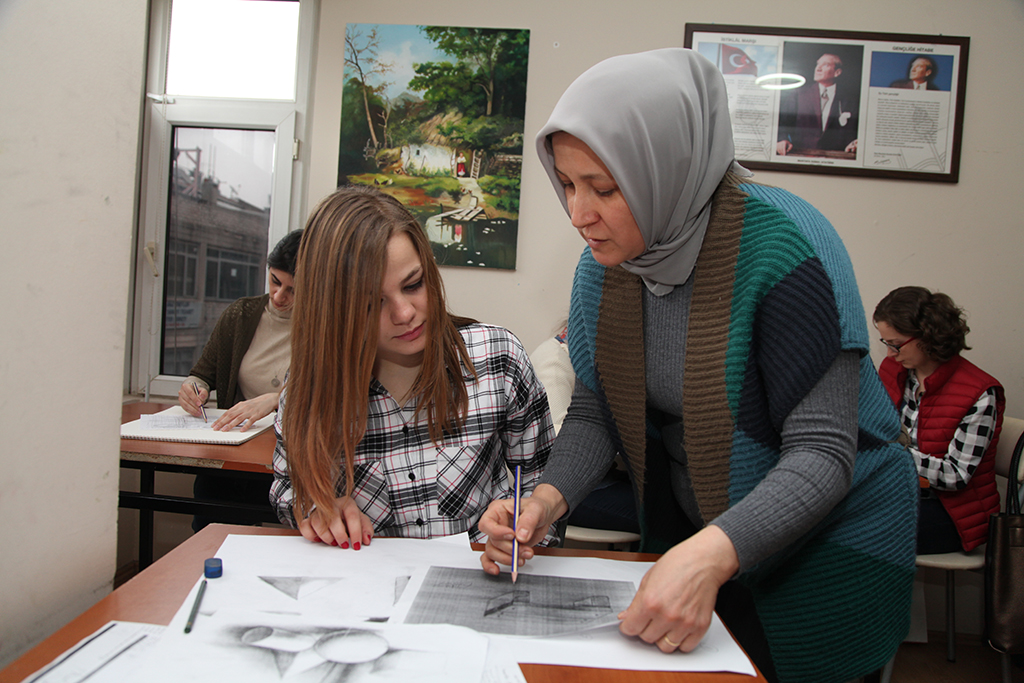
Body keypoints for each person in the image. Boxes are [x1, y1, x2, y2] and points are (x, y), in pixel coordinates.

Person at [478, 48, 917, 683]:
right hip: (708, 533)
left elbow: (823, 451)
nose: (578, 215)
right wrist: (544, 502)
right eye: (568, 185)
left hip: (830, 541)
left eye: (603, 188)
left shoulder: (789, 248)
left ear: (668, 169)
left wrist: (711, 554)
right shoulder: (604, 269)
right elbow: (600, 411)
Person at [269, 185, 556, 548]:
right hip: (366, 593)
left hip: (485, 588)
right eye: (372, 303)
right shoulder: (307, 387)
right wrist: (318, 509)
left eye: (414, 284)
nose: (405, 314)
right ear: (335, 311)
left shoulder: (499, 359)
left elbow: (540, 485)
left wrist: (523, 531)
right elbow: (286, 490)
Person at [179, 229, 302, 531]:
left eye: (293, 290)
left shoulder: (325, 328)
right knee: (210, 534)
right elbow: (202, 373)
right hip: (232, 458)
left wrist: (277, 400)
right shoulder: (241, 314)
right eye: (274, 281)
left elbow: (330, 392)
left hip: (289, 462)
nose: (278, 296)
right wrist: (194, 388)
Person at [874, 286, 1004, 554]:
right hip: (900, 494)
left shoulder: (980, 393)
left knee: (853, 533)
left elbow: (956, 476)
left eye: (895, 344)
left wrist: (888, 451)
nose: (889, 354)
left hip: (952, 515)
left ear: (928, 336)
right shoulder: (895, 370)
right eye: (886, 343)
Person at [530, 322, 639, 535]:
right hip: (567, 486)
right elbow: (557, 440)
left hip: (598, 478)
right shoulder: (555, 361)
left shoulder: (574, 352)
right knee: (664, 520)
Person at [776, 53, 859, 156]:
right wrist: (782, 140)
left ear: (837, 72)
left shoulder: (849, 100)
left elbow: (854, 132)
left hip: (837, 157)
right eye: (818, 64)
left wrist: (854, 143)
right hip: (800, 155)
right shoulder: (798, 94)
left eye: (825, 65)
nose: (818, 69)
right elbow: (782, 122)